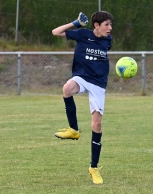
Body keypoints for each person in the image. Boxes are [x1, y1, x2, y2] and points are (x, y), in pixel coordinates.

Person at [52, 11, 113, 184]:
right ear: (96, 25)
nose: (110, 28)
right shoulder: (82, 34)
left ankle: (94, 168)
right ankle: (74, 130)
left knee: (97, 125)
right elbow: (55, 32)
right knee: (67, 88)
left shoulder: (108, 40)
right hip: (82, 77)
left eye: (110, 24)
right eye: (106, 24)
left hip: (98, 84)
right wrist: (75, 23)